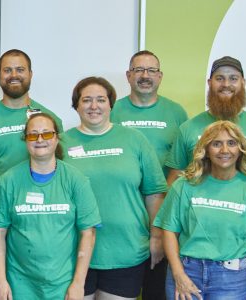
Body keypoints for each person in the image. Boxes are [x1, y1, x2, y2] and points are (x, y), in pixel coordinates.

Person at [59, 77, 167, 300]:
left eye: (101, 99)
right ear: (76, 105)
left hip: (126, 249)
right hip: (73, 252)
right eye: (86, 100)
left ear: (111, 104)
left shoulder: (134, 139)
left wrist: (156, 236)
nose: (94, 106)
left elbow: (154, 193)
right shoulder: (61, 143)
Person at [0, 49, 62, 299]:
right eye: (7, 70)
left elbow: (60, 173)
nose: (14, 75)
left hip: (36, 224)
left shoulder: (49, 119)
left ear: (30, 74)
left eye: (20, 69)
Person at [154, 121, 246, 300]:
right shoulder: (184, 185)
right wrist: (178, 274)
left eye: (232, 143)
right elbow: (169, 231)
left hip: (232, 279)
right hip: (186, 272)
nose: (224, 150)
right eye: (216, 144)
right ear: (206, 150)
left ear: (241, 149)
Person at [0, 112, 100, 300]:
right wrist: (1, 282)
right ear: (26, 140)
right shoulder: (8, 181)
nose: (39, 139)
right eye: (33, 135)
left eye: (47, 134)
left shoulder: (76, 180)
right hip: (19, 283)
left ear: (57, 138)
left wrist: (78, 284)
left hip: (63, 283)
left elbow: (88, 233)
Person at [110, 50, 187, 300]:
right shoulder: (113, 110)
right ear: (128, 75)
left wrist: (160, 216)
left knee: (157, 287)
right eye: (139, 70)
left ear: (160, 76)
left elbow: (181, 166)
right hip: (124, 212)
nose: (145, 76)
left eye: (151, 70)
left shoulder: (176, 113)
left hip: (165, 214)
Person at [165, 56, 246, 197]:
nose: (226, 84)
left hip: (244, 215)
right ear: (210, 83)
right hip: (196, 215)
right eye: (219, 78)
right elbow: (173, 184)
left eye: (233, 78)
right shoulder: (188, 128)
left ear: (243, 82)